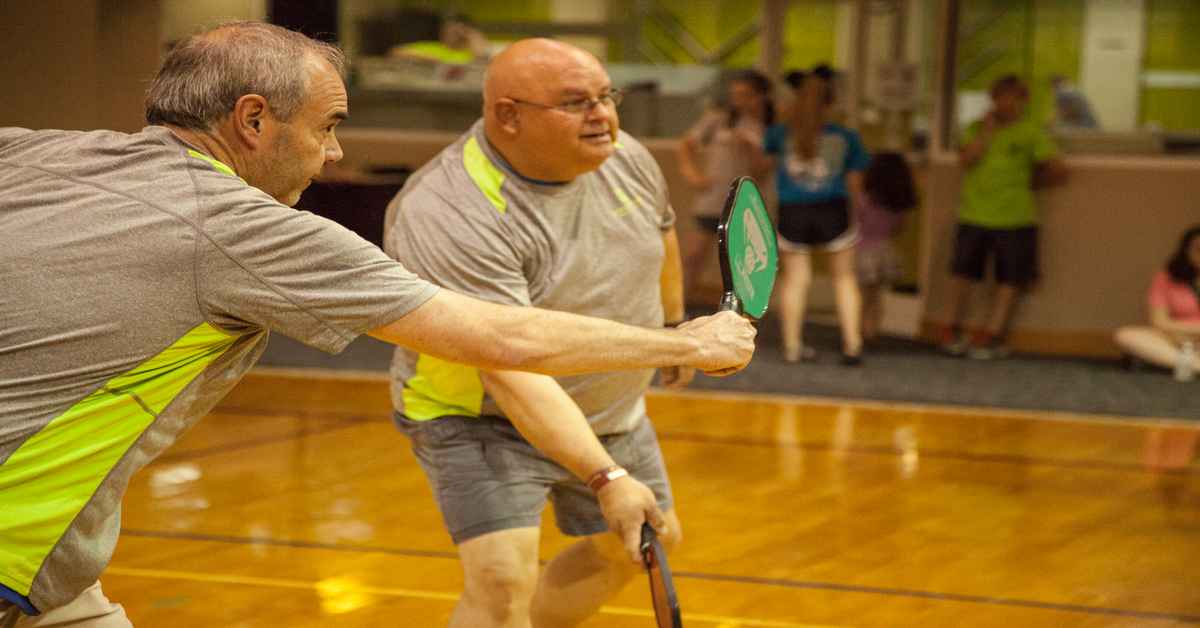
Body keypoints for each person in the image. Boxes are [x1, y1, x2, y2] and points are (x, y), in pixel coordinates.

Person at [0, 23, 757, 627]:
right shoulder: (257, 231)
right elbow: (505, 340)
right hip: (14, 549)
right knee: (499, 583)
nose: (333, 155)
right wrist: (687, 340)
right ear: (253, 120)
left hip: (55, 571)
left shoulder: (30, 151)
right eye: (327, 126)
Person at [383, 38, 701, 628]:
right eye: (577, 102)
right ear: (509, 115)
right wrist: (605, 477)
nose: (602, 115)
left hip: (608, 406)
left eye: (607, 96)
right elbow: (507, 364)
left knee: (639, 548)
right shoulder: (449, 210)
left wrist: (671, 320)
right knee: (502, 582)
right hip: (480, 413)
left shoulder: (622, 155)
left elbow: (660, 233)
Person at [938, 74, 1067, 359]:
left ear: (1022, 100)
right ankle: (950, 329)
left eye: (1011, 97)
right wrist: (986, 132)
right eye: (998, 97)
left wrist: (1031, 183)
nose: (1004, 103)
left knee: (1009, 280)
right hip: (973, 213)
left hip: (1015, 218)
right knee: (962, 274)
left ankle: (990, 335)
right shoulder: (975, 128)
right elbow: (966, 160)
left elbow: (1057, 170)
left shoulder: (1032, 132)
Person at [765, 66, 869, 365]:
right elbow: (855, 183)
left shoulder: (780, 134)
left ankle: (792, 347)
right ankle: (853, 345)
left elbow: (764, 164)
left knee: (796, 280)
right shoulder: (846, 137)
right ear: (832, 102)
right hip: (833, 209)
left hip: (792, 211)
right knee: (845, 278)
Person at [676, 69, 774, 298]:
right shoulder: (718, 120)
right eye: (735, 94)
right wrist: (692, 174)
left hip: (747, 203)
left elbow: (763, 171)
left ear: (761, 96)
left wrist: (750, 150)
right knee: (693, 254)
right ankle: (677, 309)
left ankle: (739, 311)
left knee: (740, 263)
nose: (739, 100)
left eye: (746, 95)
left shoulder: (770, 128)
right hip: (713, 199)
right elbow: (686, 145)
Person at [1114, 225, 1200, 376]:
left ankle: (1173, 361)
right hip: (1177, 337)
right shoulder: (1166, 278)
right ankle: (1193, 365)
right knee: (1126, 335)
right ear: (1186, 251)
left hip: (1189, 336)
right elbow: (1159, 321)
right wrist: (1185, 332)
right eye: (1198, 249)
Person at [856, 152, 918, 342]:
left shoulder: (864, 200)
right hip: (885, 251)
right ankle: (871, 330)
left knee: (860, 296)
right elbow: (899, 228)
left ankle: (856, 330)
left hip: (862, 250)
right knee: (875, 296)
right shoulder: (898, 205)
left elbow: (854, 222)